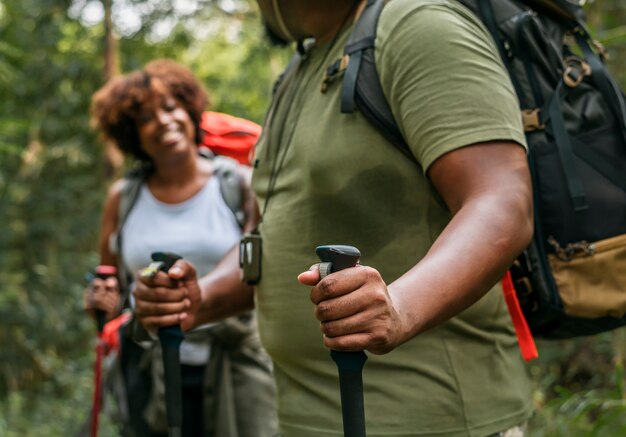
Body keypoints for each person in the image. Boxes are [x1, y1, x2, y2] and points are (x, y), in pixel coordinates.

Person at [133, 1, 535, 436]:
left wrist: (398, 307)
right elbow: (276, 231)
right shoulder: (302, 67)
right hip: (305, 419)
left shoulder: (416, 25)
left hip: (435, 420)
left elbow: (501, 201)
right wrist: (200, 298)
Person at [84, 59, 278, 437]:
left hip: (236, 363)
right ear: (132, 135)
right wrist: (100, 303)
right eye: (145, 118)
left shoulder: (240, 184)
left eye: (171, 107)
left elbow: (263, 266)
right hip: (149, 368)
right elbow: (113, 285)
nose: (163, 122)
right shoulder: (122, 198)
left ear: (190, 112)